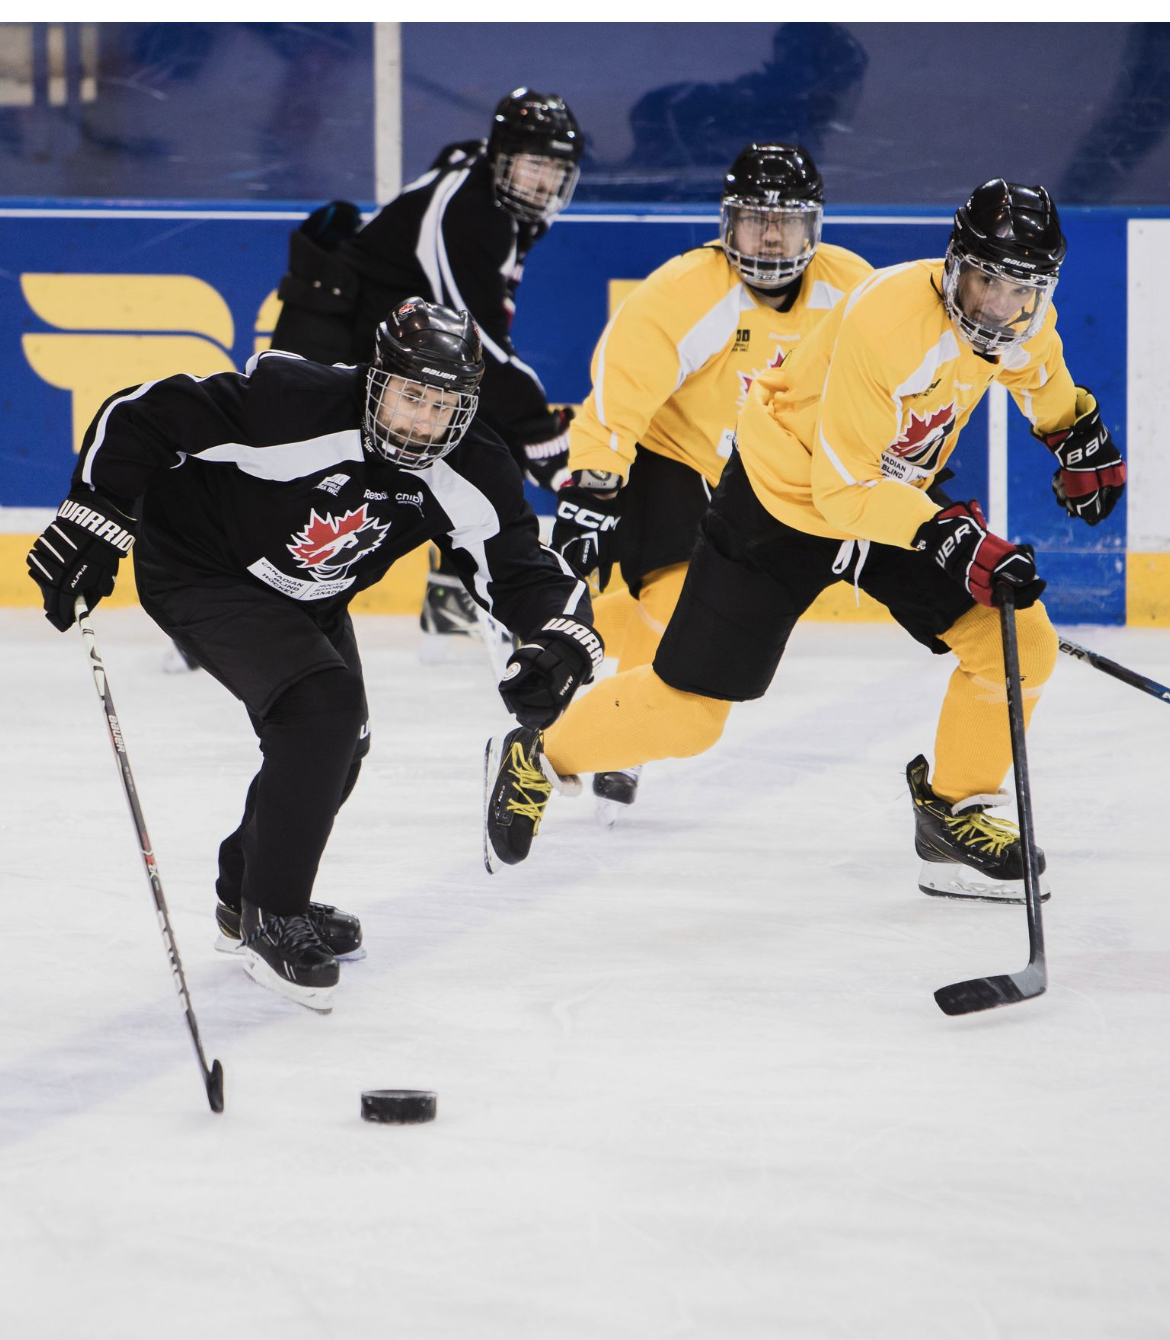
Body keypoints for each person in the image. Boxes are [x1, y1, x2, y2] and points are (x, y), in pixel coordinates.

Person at [485, 179, 1127, 904]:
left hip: (890, 496)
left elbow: (1039, 375)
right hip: (780, 504)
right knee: (689, 716)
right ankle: (540, 752)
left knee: (1018, 643)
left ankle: (951, 817)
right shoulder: (888, 322)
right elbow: (841, 493)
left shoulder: (1021, 321)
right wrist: (953, 537)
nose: (1001, 307)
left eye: (1022, 291)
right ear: (956, 265)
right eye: (987, 282)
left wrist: (1075, 435)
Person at [27, 297, 602, 1012]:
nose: (423, 422)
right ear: (375, 380)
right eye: (410, 396)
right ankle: (274, 914)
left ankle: (247, 894)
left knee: (341, 743)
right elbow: (141, 414)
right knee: (320, 710)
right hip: (202, 567)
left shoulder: (470, 468)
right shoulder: (292, 406)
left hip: (308, 595)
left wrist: (563, 638)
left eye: (443, 407)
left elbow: (519, 569)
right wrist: (94, 514)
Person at [549, 142, 872, 824]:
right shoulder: (686, 289)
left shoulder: (854, 290)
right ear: (729, 225)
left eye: (787, 221)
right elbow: (619, 393)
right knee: (677, 617)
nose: (773, 235)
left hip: (765, 482)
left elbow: (894, 385)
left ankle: (559, 642)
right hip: (676, 465)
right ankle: (609, 727)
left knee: (682, 619)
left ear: (816, 226)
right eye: (757, 219)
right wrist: (594, 483)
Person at [269, 88, 585, 658]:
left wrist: (526, 425)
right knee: (299, 475)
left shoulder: (497, 202)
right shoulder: (471, 209)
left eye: (555, 171)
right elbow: (482, 337)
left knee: (472, 434)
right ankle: (228, 600)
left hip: (383, 346)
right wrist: (539, 428)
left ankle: (448, 595)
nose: (542, 183)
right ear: (501, 156)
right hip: (328, 335)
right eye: (533, 165)